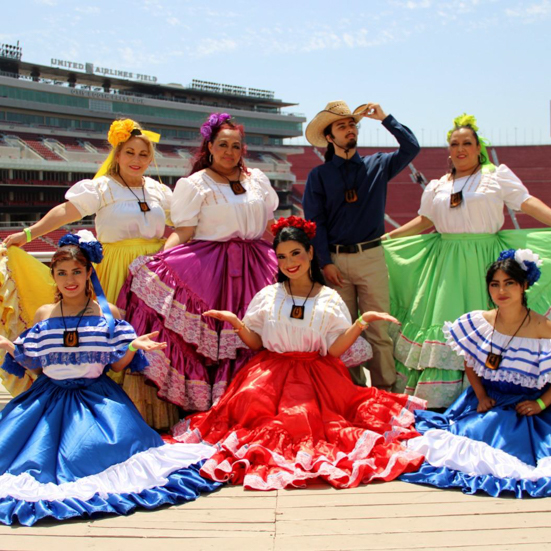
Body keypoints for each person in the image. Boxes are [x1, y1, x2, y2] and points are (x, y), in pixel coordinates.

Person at [172, 217, 426, 490]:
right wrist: (236, 322)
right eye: (281, 256)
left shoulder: (329, 298)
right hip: (268, 377)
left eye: (296, 253)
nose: (289, 262)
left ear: (311, 253)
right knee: (253, 417)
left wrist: (362, 322)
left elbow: (335, 350)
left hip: (317, 378)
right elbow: (257, 344)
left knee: (309, 420)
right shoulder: (269, 294)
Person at [0, 232, 219, 526]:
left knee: (90, 456)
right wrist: (11, 348)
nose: (70, 279)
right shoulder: (44, 314)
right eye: (62, 273)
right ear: (53, 275)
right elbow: (36, 365)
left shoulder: (107, 315)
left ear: (90, 272)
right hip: (46, 400)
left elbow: (116, 366)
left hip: (97, 401)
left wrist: (131, 346)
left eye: (77, 271)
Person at [0, 119, 178, 429]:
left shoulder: (160, 191)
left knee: (152, 340)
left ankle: (152, 415)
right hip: (117, 269)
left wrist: (167, 256)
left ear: (151, 159)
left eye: (143, 155)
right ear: (117, 155)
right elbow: (66, 212)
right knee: (113, 338)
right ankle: (110, 417)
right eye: (129, 153)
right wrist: (28, 233)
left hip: (155, 273)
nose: (136, 160)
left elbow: (185, 225)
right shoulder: (102, 188)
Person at [383, 114, 551, 408]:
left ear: (478, 148)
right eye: (454, 143)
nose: (460, 148)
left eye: (467, 143)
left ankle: (490, 393)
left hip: (485, 259)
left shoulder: (495, 176)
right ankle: (440, 399)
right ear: (448, 150)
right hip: (445, 263)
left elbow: (526, 202)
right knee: (443, 322)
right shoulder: (437, 185)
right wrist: (389, 238)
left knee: (492, 320)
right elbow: (425, 220)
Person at [117, 113, 279, 412]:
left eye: (236, 145)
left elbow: (269, 226)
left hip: (259, 263)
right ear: (210, 147)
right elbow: (185, 230)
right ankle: (220, 404)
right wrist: (159, 263)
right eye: (223, 145)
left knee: (263, 330)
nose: (229, 151)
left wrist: (290, 253)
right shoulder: (195, 183)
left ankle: (261, 401)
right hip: (212, 268)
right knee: (216, 340)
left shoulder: (257, 179)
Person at [400, 250, 551, 497]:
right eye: (495, 284)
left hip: (526, 407)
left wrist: (540, 403)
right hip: (486, 399)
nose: (501, 291)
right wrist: (481, 395)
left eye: (509, 283)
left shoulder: (543, 328)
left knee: (515, 454)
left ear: (524, 286)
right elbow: (471, 363)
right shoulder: (479, 321)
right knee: (455, 441)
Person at [302, 100, 420, 390]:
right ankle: (350, 392)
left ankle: (386, 392)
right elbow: (315, 222)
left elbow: (411, 148)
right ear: (330, 137)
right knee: (342, 332)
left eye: (352, 124)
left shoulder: (378, 164)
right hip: (336, 262)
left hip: (371, 257)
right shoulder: (319, 176)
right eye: (341, 126)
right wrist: (325, 262)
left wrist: (385, 118)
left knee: (379, 330)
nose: (349, 129)